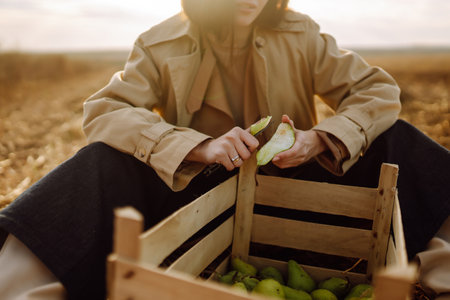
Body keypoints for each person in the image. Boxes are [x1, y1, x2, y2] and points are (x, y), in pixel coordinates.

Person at [0, 0, 449, 299]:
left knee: (399, 140)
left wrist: (319, 139)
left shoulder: (302, 34)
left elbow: (376, 90)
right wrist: (197, 147)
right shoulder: (160, 43)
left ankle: (435, 283)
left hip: (293, 191)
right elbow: (105, 110)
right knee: (99, 163)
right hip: (198, 198)